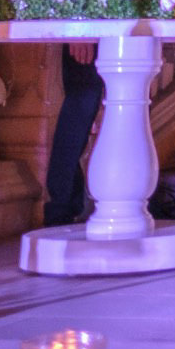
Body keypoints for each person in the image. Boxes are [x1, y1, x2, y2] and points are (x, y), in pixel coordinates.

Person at [43, 42, 103, 227]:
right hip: (92, 26)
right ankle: (61, 208)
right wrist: (81, 30)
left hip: (122, 28)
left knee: (80, 110)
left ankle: (67, 205)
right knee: (78, 112)